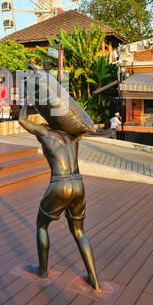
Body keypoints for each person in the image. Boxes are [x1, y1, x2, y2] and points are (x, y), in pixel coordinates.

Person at [19, 98, 100, 292]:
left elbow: (22, 120)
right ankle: (94, 280)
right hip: (78, 184)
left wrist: (27, 105)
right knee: (79, 232)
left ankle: (42, 270)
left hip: (60, 184)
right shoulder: (73, 137)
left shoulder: (45, 133)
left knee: (42, 225)